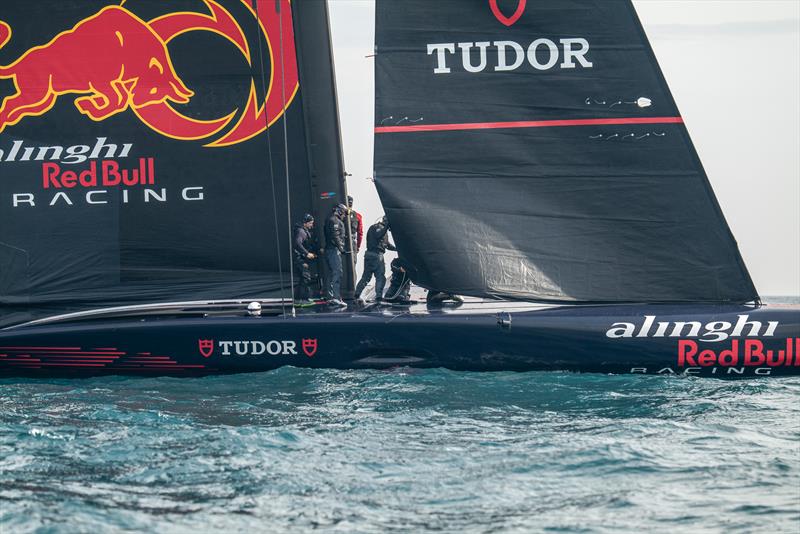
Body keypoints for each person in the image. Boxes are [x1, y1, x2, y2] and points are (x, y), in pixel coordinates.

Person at [354, 216, 395, 301]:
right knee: (380, 277)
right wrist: (387, 226)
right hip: (376, 255)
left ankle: (357, 294)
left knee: (366, 277)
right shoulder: (378, 228)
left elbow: (387, 245)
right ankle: (379, 296)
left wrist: (397, 248)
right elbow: (378, 235)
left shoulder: (380, 230)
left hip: (369, 255)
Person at [324, 203, 347, 306]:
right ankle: (336, 297)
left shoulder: (330, 220)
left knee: (331, 273)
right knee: (337, 272)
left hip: (330, 250)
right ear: (340, 211)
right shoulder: (334, 221)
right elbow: (335, 235)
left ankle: (330, 297)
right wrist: (341, 248)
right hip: (333, 250)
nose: (345, 216)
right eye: (344, 213)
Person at [292, 213, 316, 301]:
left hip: (301, 258)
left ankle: (299, 299)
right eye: (310, 223)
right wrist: (307, 253)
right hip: (300, 259)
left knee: (303, 278)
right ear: (306, 223)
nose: (312, 225)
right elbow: (297, 244)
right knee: (306, 277)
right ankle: (303, 299)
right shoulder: (301, 231)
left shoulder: (304, 231)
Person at [344, 195, 363, 270]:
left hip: (342, 241)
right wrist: (358, 246)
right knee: (353, 263)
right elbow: (360, 233)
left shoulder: (341, 214)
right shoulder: (358, 216)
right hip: (353, 242)